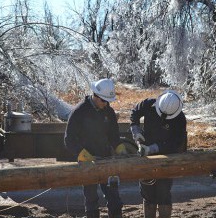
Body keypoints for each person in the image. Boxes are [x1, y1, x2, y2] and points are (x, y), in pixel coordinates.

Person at [64, 78, 127, 218]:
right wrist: (82, 154)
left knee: (114, 199)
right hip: (87, 162)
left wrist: (119, 147)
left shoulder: (108, 112)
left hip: (107, 160)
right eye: (104, 101)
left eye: (108, 101)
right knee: (91, 200)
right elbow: (69, 139)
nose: (106, 104)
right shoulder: (79, 112)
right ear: (95, 95)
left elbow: (114, 136)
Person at [130, 90, 187, 218]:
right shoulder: (149, 104)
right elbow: (135, 113)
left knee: (163, 192)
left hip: (167, 157)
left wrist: (154, 148)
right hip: (146, 157)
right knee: (147, 192)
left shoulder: (180, 120)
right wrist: (135, 129)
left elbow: (176, 144)